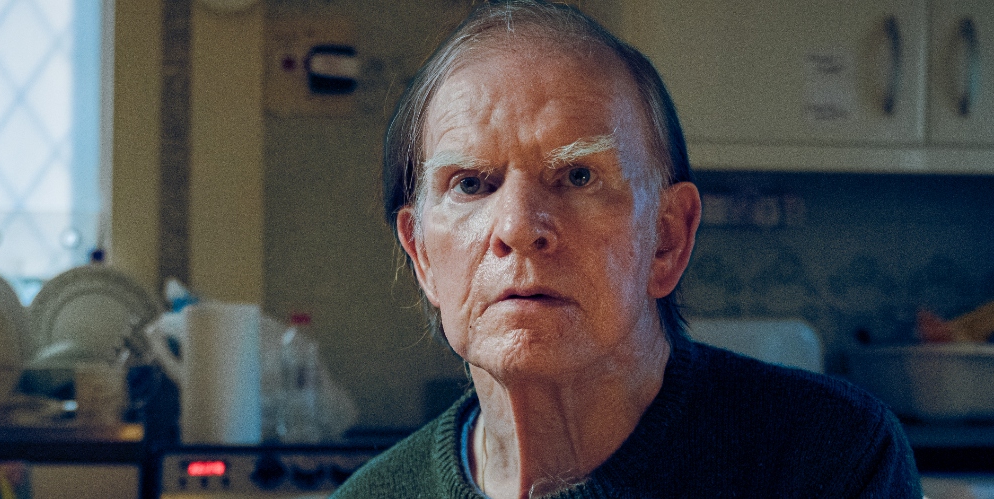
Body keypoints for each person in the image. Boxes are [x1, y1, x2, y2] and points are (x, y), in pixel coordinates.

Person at [333, 2, 921, 498]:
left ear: (667, 237)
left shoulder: (834, 457)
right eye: (470, 184)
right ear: (424, 258)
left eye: (579, 176)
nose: (516, 226)